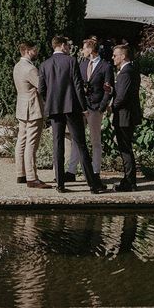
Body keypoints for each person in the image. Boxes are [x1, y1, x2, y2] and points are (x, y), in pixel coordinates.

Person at [38, 36, 107, 194]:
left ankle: (60, 184)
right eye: (68, 46)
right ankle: (93, 185)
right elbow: (77, 85)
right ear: (62, 46)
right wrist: (83, 107)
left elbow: (41, 89)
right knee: (81, 145)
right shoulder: (71, 61)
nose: (69, 48)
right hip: (72, 107)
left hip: (55, 109)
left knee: (57, 145)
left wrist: (50, 101)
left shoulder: (44, 64)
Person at [65, 38, 113, 184]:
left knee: (95, 140)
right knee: (77, 139)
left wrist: (102, 106)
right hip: (82, 107)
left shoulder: (106, 66)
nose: (82, 51)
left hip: (96, 107)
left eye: (84, 48)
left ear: (91, 49)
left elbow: (109, 89)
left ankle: (95, 171)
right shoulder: (82, 64)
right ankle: (71, 171)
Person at [13, 41, 50, 189]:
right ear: (28, 51)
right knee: (31, 143)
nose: (37, 52)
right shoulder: (30, 69)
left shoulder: (17, 66)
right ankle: (32, 177)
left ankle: (20, 173)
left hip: (22, 107)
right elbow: (42, 86)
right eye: (35, 50)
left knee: (21, 140)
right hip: (32, 108)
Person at [110, 44, 142, 192]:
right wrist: (112, 90)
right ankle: (128, 179)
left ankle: (130, 182)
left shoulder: (126, 72)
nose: (113, 57)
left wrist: (110, 107)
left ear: (123, 56)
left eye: (115, 55)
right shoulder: (131, 70)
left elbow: (122, 97)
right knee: (125, 148)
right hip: (127, 115)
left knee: (125, 149)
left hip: (124, 116)